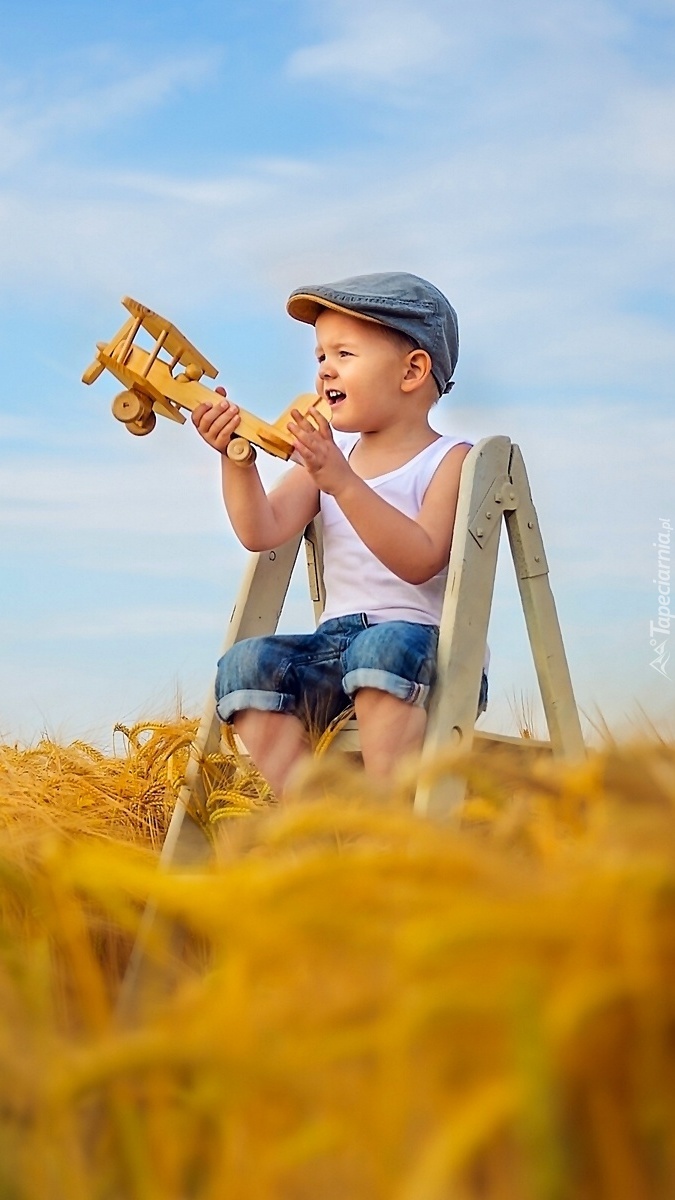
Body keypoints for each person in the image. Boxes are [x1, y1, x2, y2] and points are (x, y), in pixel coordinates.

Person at [192, 272, 488, 797]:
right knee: (244, 665)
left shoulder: (450, 461)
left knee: (381, 648)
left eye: (345, 354)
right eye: (320, 356)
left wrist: (342, 482)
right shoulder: (326, 463)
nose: (325, 368)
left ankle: (388, 820)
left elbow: (420, 559)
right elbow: (260, 530)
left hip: (419, 650)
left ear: (413, 370)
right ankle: (315, 821)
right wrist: (235, 459)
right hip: (333, 650)